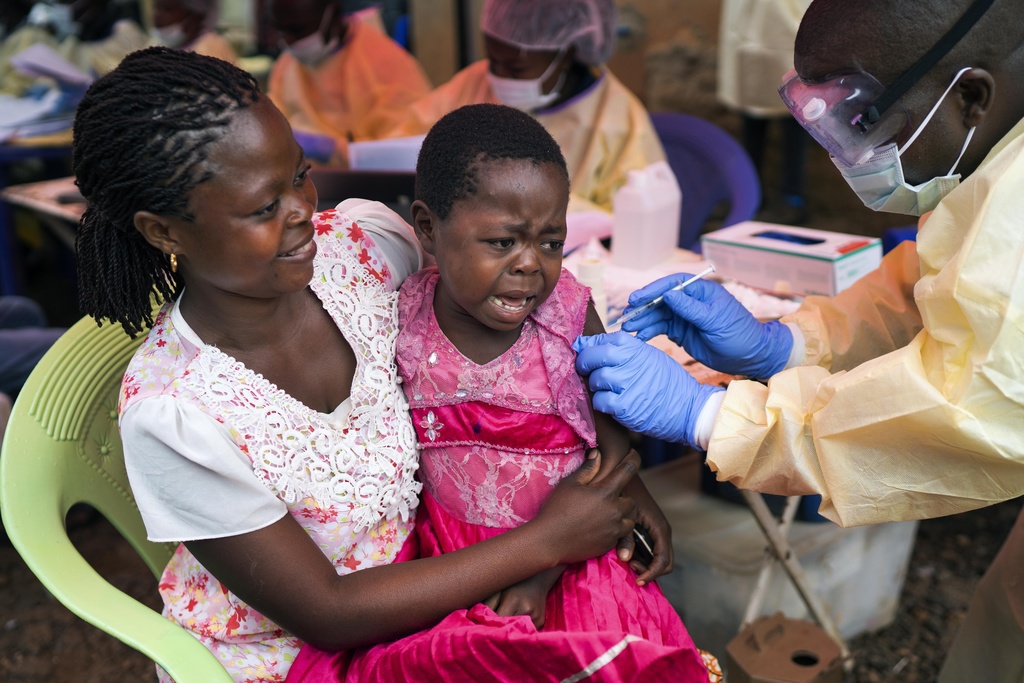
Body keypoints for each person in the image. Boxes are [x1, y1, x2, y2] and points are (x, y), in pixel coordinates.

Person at [73, 47, 644, 683]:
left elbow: (524, 314)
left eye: (299, 175)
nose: (299, 212)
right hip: (289, 654)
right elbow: (327, 612)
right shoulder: (175, 414)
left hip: (438, 587)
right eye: (263, 208)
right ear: (163, 232)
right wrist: (545, 542)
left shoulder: (361, 250)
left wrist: (611, 466)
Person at [573, 0, 1024, 680]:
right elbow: (934, 286)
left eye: (868, 126)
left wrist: (714, 415)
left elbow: (969, 404)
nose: (853, 156)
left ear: (969, 95)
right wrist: (789, 344)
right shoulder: (993, 155)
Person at [288, 103, 720, 682]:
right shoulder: (402, 318)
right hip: (454, 556)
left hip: (574, 556)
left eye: (550, 243)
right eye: (501, 242)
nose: (530, 267)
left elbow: (611, 447)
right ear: (427, 227)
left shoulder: (567, 314)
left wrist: (548, 566)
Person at [386, 0, 666, 220]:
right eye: (493, 60)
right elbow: (402, 142)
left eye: (515, 67)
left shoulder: (619, 122)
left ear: (566, 55)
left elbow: (633, 229)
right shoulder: (475, 82)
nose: (497, 75)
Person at [266, 0, 431, 167]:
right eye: (281, 30)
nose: (288, 40)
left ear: (333, 14)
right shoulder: (287, 64)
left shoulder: (387, 64)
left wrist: (336, 150)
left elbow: (403, 152)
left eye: (297, 30)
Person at [717, 0, 812, 224]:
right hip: (747, 22)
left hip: (790, 21)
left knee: (796, 111)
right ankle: (751, 194)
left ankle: (793, 196)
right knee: (752, 112)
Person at [150, 0, 237, 64]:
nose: (157, 14)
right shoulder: (178, 45)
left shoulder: (207, 52)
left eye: (167, 9)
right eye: (156, 7)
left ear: (196, 15)